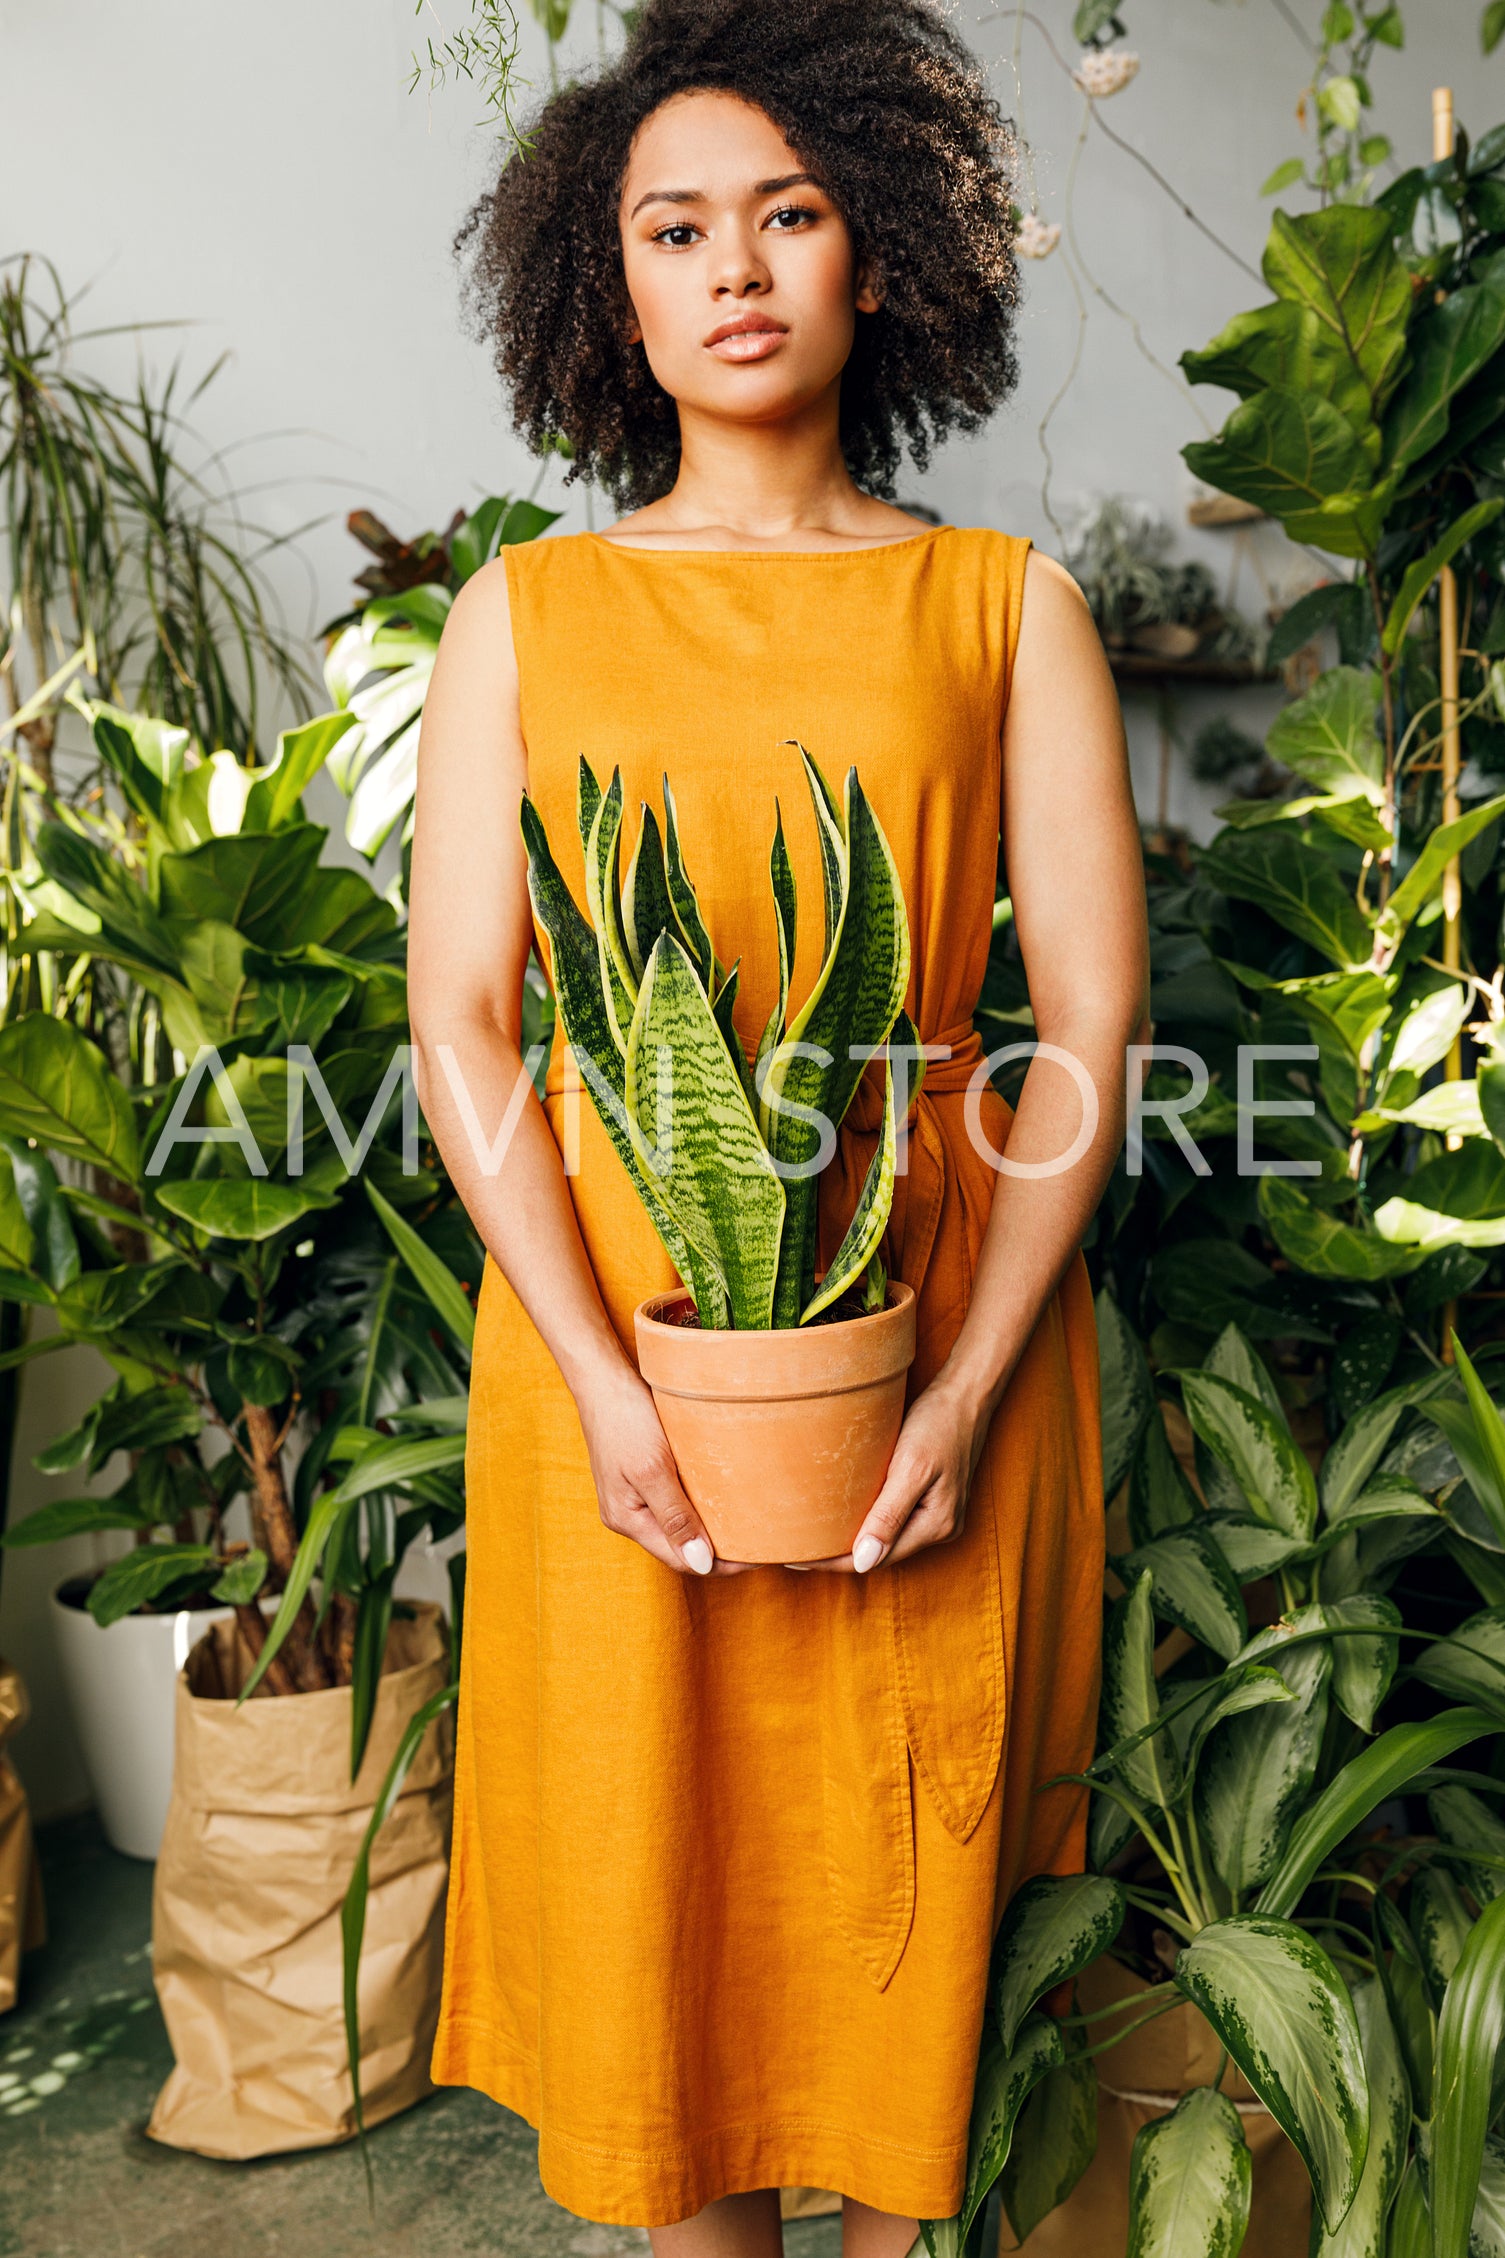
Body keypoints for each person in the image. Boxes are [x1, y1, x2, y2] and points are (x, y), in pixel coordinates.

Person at [407, 3, 1148, 2253]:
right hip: (613, 1365)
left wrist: (972, 1370)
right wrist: (604, 1381)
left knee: (921, 1970)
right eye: (675, 227)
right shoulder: (522, 617)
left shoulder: (1006, 605)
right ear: (608, 292)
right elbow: (464, 1019)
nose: (736, 267)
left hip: (931, 1345)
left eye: (790, 216)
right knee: (673, 2003)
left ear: (882, 260)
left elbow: (1094, 1022)